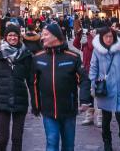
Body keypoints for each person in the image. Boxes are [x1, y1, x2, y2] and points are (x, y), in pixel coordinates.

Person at [32, 23, 85, 151]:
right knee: (52, 142)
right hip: (48, 110)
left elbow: (83, 80)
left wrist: (84, 100)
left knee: (68, 145)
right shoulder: (38, 58)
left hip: (68, 109)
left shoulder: (73, 57)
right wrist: (36, 105)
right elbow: (33, 83)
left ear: (55, 36)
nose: (42, 38)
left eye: (45, 34)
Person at [90, 27, 120, 151]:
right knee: (106, 119)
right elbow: (93, 69)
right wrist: (93, 84)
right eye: (106, 36)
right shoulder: (97, 52)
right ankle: (107, 144)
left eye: (111, 36)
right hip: (105, 90)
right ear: (101, 38)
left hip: (119, 90)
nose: (108, 39)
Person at [0, 24, 35, 151]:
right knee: (3, 138)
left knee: (17, 138)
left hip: (20, 99)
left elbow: (31, 81)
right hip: (2, 98)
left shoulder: (26, 54)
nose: (12, 38)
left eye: (15, 35)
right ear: (5, 37)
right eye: (10, 35)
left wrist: (35, 102)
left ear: (19, 37)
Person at [72, 27, 96, 125]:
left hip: (95, 70)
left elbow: (91, 47)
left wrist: (90, 36)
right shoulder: (85, 43)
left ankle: (100, 117)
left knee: (97, 94)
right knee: (88, 94)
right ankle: (89, 116)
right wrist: (78, 35)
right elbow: (76, 44)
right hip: (86, 70)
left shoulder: (96, 43)